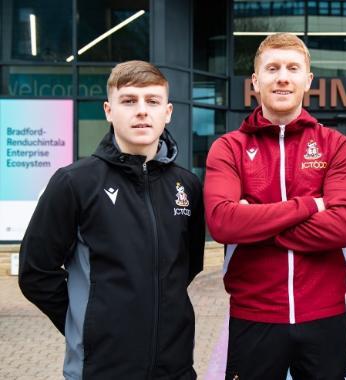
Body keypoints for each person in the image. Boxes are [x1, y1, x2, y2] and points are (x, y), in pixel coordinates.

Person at [18, 60, 205, 379]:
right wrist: (88, 325)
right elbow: (36, 271)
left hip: (174, 369)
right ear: (109, 110)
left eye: (152, 101)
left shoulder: (186, 185)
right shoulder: (75, 182)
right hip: (100, 369)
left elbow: (187, 266)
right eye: (129, 101)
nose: (142, 111)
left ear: (168, 112)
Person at [204, 33, 346, 379]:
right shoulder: (228, 148)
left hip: (325, 316)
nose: (282, 77)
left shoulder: (335, 146)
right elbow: (223, 223)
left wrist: (255, 219)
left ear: (308, 80)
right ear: (255, 81)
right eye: (272, 68)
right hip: (253, 316)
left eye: (293, 68)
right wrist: (310, 205)